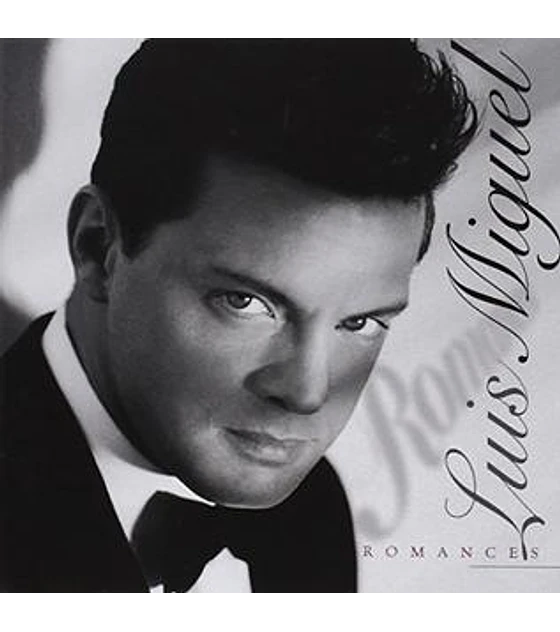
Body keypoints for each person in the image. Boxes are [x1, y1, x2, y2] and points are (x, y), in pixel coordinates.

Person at [0, 32, 478, 600]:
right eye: (245, 302)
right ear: (97, 247)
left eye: (358, 323)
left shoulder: (310, 506)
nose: (306, 393)